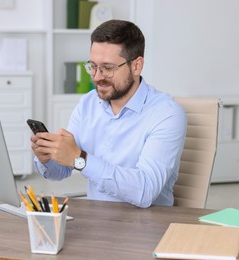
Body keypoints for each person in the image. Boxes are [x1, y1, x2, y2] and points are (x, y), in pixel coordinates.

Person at [30, 19, 187, 208]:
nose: (97, 77)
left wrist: (79, 159)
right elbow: (62, 170)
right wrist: (48, 157)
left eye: (108, 68)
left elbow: (145, 190)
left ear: (136, 66)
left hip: (146, 226)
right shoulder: (88, 103)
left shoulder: (167, 114)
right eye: (93, 66)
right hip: (97, 221)